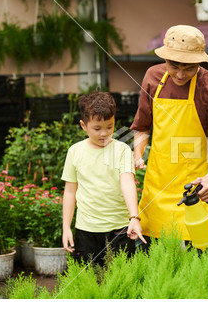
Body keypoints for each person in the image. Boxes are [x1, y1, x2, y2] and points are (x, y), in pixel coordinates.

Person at [130, 25, 208, 249]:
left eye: (189, 68)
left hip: (194, 188)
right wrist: (137, 155)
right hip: (156, 187)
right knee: (154, 263)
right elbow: (142, 127)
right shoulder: (153, 77)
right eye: (173, 65)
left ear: (200, 62)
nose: (180, 74)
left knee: (196, 261)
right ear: (165, 58)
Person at [62, 92, 146, 266]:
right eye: (97, 128)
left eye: (110, 127)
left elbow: (128, 182)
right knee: (88, 280)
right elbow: (70, 191)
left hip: (120, 227)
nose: (104, 133)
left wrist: (134, 218)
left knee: (122, 279)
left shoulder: (122, 150)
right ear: (83, 125)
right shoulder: (75, 151)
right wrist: (66, 227)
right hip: (86, 229)